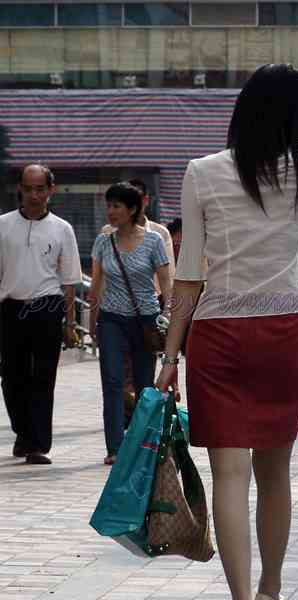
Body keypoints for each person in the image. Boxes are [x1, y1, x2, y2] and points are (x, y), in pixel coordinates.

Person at [156, 64, 298, 600]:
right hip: (281, 334)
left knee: (230, 474)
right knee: (276, 472)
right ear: (295, 115)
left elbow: (189, 276)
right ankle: (271, 589)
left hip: (217, 335)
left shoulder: (202, 171)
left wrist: (170, 357)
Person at [0, 164, 82, 465]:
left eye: (40, 189)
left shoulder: (62, 229)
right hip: (10, 307)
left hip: (47, 307)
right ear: (19, 189)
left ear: (51, 190)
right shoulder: (3, 225)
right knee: (11, 377)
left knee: (43, 377)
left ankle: (38, 444)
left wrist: (71, 323)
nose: (33, 195)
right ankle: (23, 434)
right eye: (28, 188)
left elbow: (69, 280)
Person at [89, 182, 171, 465]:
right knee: (112, 382)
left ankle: (142, 445)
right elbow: (96, 285)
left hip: (145, 321)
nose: (110, 211)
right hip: (111, 320)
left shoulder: (154, 240)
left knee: (144, 385)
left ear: (133, 209)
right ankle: (115, 447)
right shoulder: (103, 242)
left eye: (117, 206)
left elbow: (166, 283)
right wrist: (92, 321)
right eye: (108, 206)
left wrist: (167, 316)